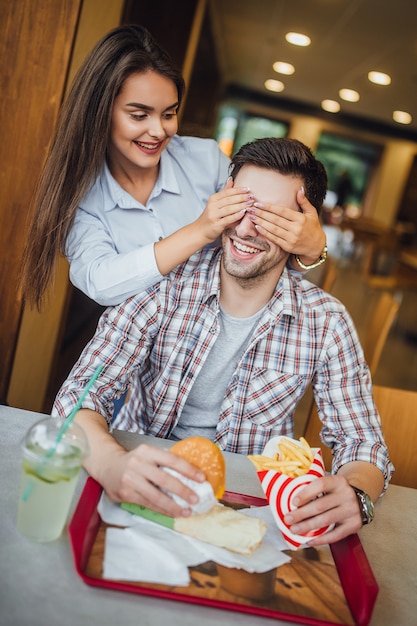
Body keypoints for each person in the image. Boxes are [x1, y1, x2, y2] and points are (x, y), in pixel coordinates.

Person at [53, 137, 392, 547]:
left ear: (302, 226)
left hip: (248, 509)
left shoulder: (326, 321)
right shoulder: (165, 282)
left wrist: (357, 493)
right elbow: (79, 395)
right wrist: (111, 465)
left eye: (271, 218)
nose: (247, 228)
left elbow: (362, 440)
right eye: (241, 207)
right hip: (136, 480)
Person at [20, 24, 326, 310]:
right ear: (101, 113)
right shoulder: (82, 197)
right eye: (139, 115)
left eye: (169, 114)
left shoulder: (205, 159)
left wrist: (310, 251)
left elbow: (261, 253)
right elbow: (100, 281)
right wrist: (199, 230)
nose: (159, 131)